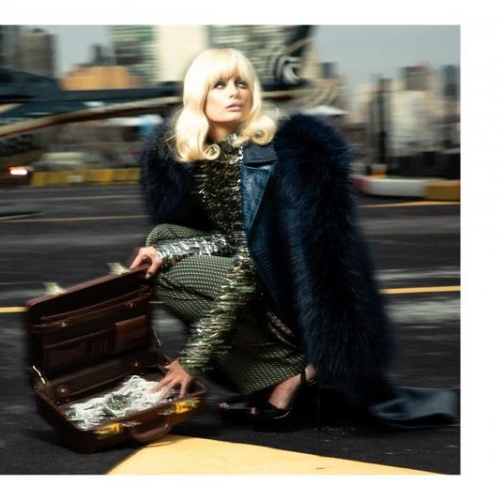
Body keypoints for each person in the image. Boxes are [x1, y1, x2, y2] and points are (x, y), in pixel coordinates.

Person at [130, 48, 458, 429]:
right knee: (161, 239)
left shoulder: (267, 157)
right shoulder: (208, 160)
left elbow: (251, 264)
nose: (234, 92)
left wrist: (192, 360)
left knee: (173, 274)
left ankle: (294, 373)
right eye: (219, 84)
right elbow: (233, 239)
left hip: (285, 299)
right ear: (198, 94)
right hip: (258, 281)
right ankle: (271, 375)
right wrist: (168, 250)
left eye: (241, 83)